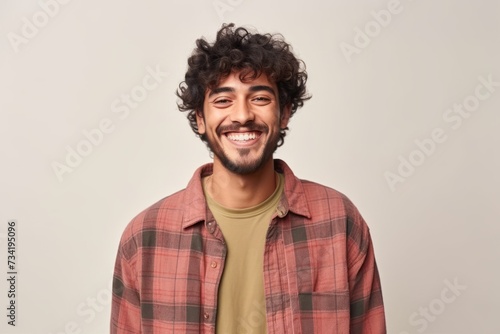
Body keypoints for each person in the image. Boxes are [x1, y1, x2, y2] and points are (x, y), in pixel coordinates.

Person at [111, 23, 386, 334]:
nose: (242, 115)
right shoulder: (144, 237)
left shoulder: (339, 221)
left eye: (259, 98)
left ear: (284, 114)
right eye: (223, 100)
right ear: (200, 119)